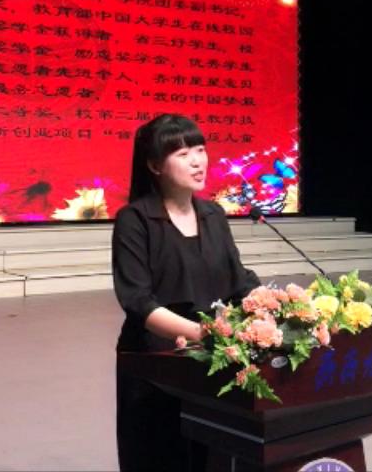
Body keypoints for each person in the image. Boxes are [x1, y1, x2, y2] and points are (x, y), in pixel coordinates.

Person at [112, 113, 262, 472]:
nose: (198, 161)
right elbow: (138, 302)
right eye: (182, 154)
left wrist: (275, 306)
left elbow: (239, 281)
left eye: (200, 149)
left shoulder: (214, 215)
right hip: (156, 365)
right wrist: (203, 333)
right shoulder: (135, 220)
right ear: (154, 165)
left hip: (211, 363)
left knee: (212, 458)